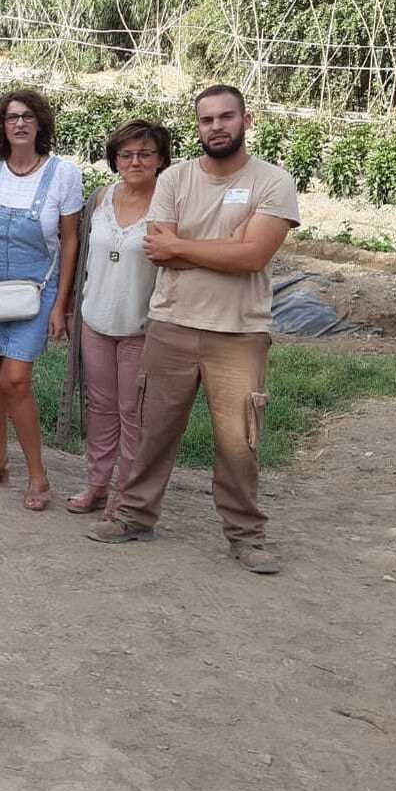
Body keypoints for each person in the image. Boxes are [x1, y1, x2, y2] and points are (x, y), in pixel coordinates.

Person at [87, 85, 300, 574]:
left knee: (238, 442)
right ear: (197, 126)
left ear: (247, 121)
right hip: (171, 325)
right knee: (154, 432)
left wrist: (189, 248)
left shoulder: (273, 182)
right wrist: (223, 248)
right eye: (207, 119)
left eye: (227, 117)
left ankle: (246, 536)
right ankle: (135, 516)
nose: (217, 126)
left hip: (238, 333)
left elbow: (253, 257)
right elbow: (158, 247)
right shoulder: (176, 178)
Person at [0, 89, 84, 512]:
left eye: (28, 117)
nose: (19, 123)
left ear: (40, 124)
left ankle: (38, 473)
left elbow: (70, 242)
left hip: (37, 292)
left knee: (16, 380)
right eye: (12, 117)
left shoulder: (63, 175)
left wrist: (61, 304)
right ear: (1, 125)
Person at [62, 120, 172, 513]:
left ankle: (127, 492)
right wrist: (72, 308)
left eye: (145, 153)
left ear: (161, 159)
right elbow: (82, 261)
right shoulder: (100, 199)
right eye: (126, 154)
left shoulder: (168, 205)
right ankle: (97, 484)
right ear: (115, 160)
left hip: (140, 327)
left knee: (133, 412)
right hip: (96, 321)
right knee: (101, 407)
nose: (135, 161)